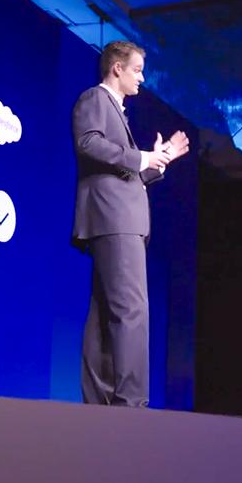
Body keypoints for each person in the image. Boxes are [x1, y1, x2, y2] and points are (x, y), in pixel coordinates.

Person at [72, 40, 189, 407]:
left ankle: (100, 403)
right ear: (117, 68)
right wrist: (142, 158)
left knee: (105, 311)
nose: (142, 78)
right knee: (131, 309)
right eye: (137, 70)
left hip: (116, 216)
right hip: (113, 217)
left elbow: (128, 171)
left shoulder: (118, 112)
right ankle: (131, 404)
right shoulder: (95, 99)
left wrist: (159, 159)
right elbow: (88, 143)